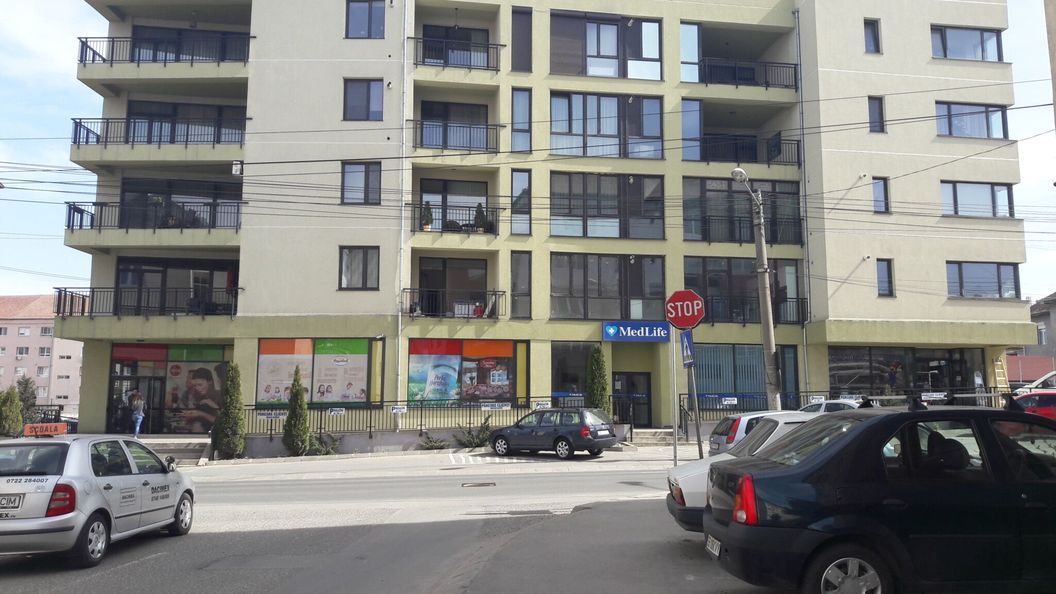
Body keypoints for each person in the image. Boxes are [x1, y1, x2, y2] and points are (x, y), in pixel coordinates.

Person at [181, 367, 222, 433]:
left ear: (210, 382)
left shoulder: (220, 395)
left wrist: (201, 413)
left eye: (200, 385)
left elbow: (224, 422)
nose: (197, 388)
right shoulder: (200, 397)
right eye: (195, 385)